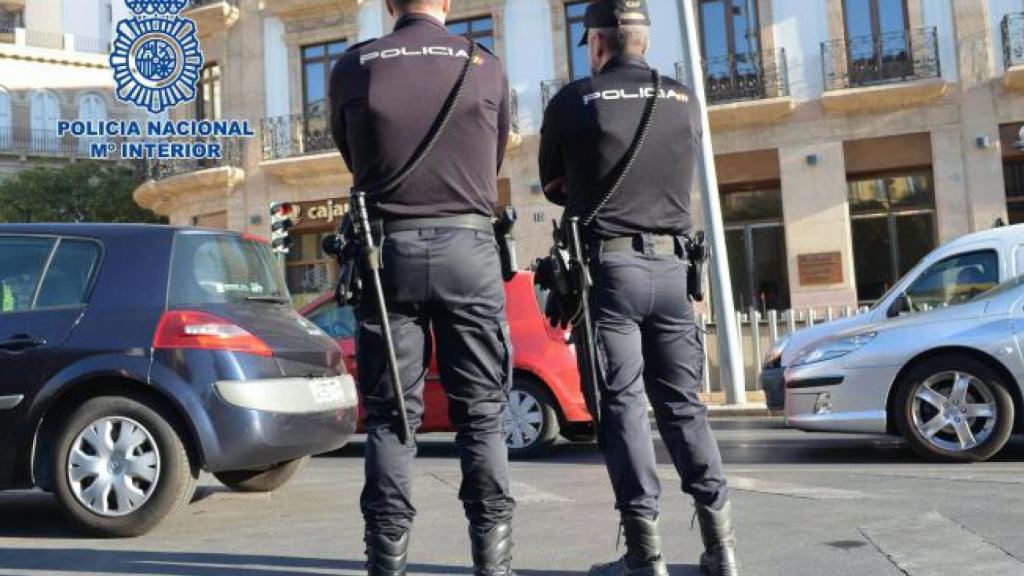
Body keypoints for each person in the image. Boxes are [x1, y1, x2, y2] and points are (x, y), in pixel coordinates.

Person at [538, 1, 738, 575]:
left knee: (624, 409)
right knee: (684, 408)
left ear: (597, 43)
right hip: (675, 274)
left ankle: (645, 557)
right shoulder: (682, 99)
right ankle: (722, 549)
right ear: (643, 39)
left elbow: (554, 184)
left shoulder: (574, 101)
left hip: (611, 272)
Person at [328, 1, 516, 574]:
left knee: (390, 418)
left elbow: (351, 154)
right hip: (469, 250)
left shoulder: (355, 65)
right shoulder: (483, 64)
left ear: (389, 4)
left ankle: (386, 565)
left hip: (389, 255)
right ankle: (494, 566)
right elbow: (494, 152)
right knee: (482, 415)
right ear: (448, 3)